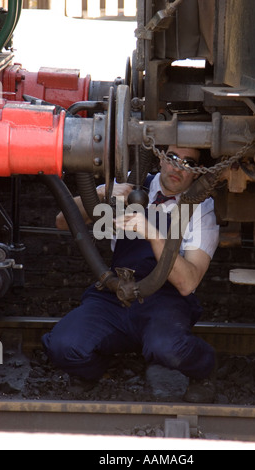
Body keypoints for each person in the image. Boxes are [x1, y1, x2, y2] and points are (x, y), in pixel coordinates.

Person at [42, 146, 220, 401]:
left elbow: (187, 282)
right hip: (115, 293)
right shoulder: (131, 184)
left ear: (198, 171)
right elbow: (63, 220)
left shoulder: (199, 207)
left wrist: (151, 232)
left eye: (188, 162)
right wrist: (101, 194)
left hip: (164, 300)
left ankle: (205, 368)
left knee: (167, 348)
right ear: (160, 157)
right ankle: (97, 365)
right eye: (172, 158)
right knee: (62, 346)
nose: (177, 167)